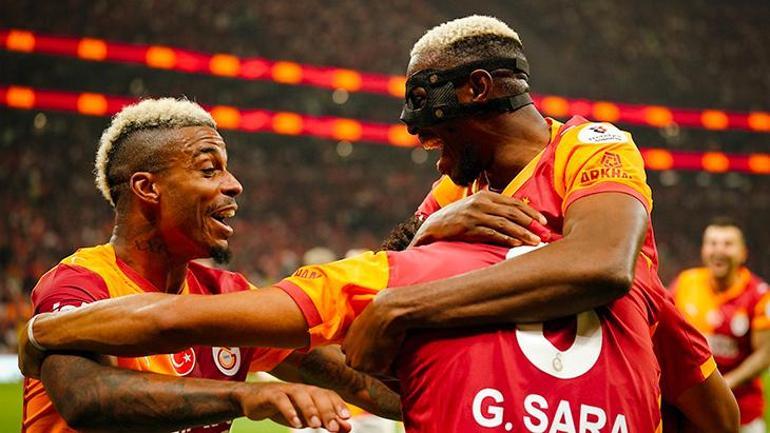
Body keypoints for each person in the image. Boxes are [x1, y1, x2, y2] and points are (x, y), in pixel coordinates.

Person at [20, 16, 737, 433]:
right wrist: (432, 231)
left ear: (477, 90)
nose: (423, 143)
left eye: (429, 118)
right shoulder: (80, 283)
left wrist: (400, 312)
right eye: (211, 169)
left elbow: (603, 265)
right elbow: (385, 266)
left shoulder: (591, 149)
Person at [19, 98, 401, 433]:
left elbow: (360, 384)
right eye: (208, 170)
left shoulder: (226, 293)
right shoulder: (78, 283)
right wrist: (243, 396)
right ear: (148, 188)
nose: (234, 185)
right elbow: (85, 397)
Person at [671, 218, 770, 433]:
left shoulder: (759, 295)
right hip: (692, 413)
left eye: (727, 244)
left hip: (742, 415)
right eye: (713, 243)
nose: (719, 250)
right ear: (703, 250)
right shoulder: (685, 283)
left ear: (743, 253)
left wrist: (723, 385)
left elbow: (765, 354)